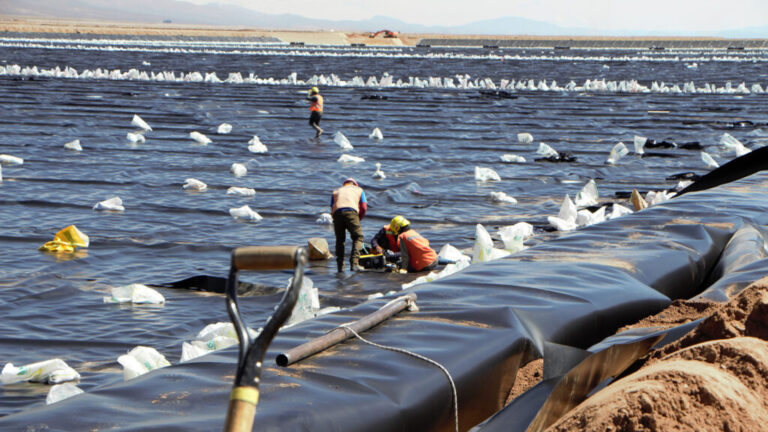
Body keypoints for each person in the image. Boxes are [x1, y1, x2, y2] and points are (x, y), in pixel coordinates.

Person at [330, 178, 367, 272]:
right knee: (358, 237)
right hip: (351, 212)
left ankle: (340, 266)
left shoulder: (336, 191)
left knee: (340, 240)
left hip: (337, 214)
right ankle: (354, 264)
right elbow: (363, 206)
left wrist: (335, 218)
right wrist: (359, 218)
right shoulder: (359, 190)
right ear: (355, 184)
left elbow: (332, 206)